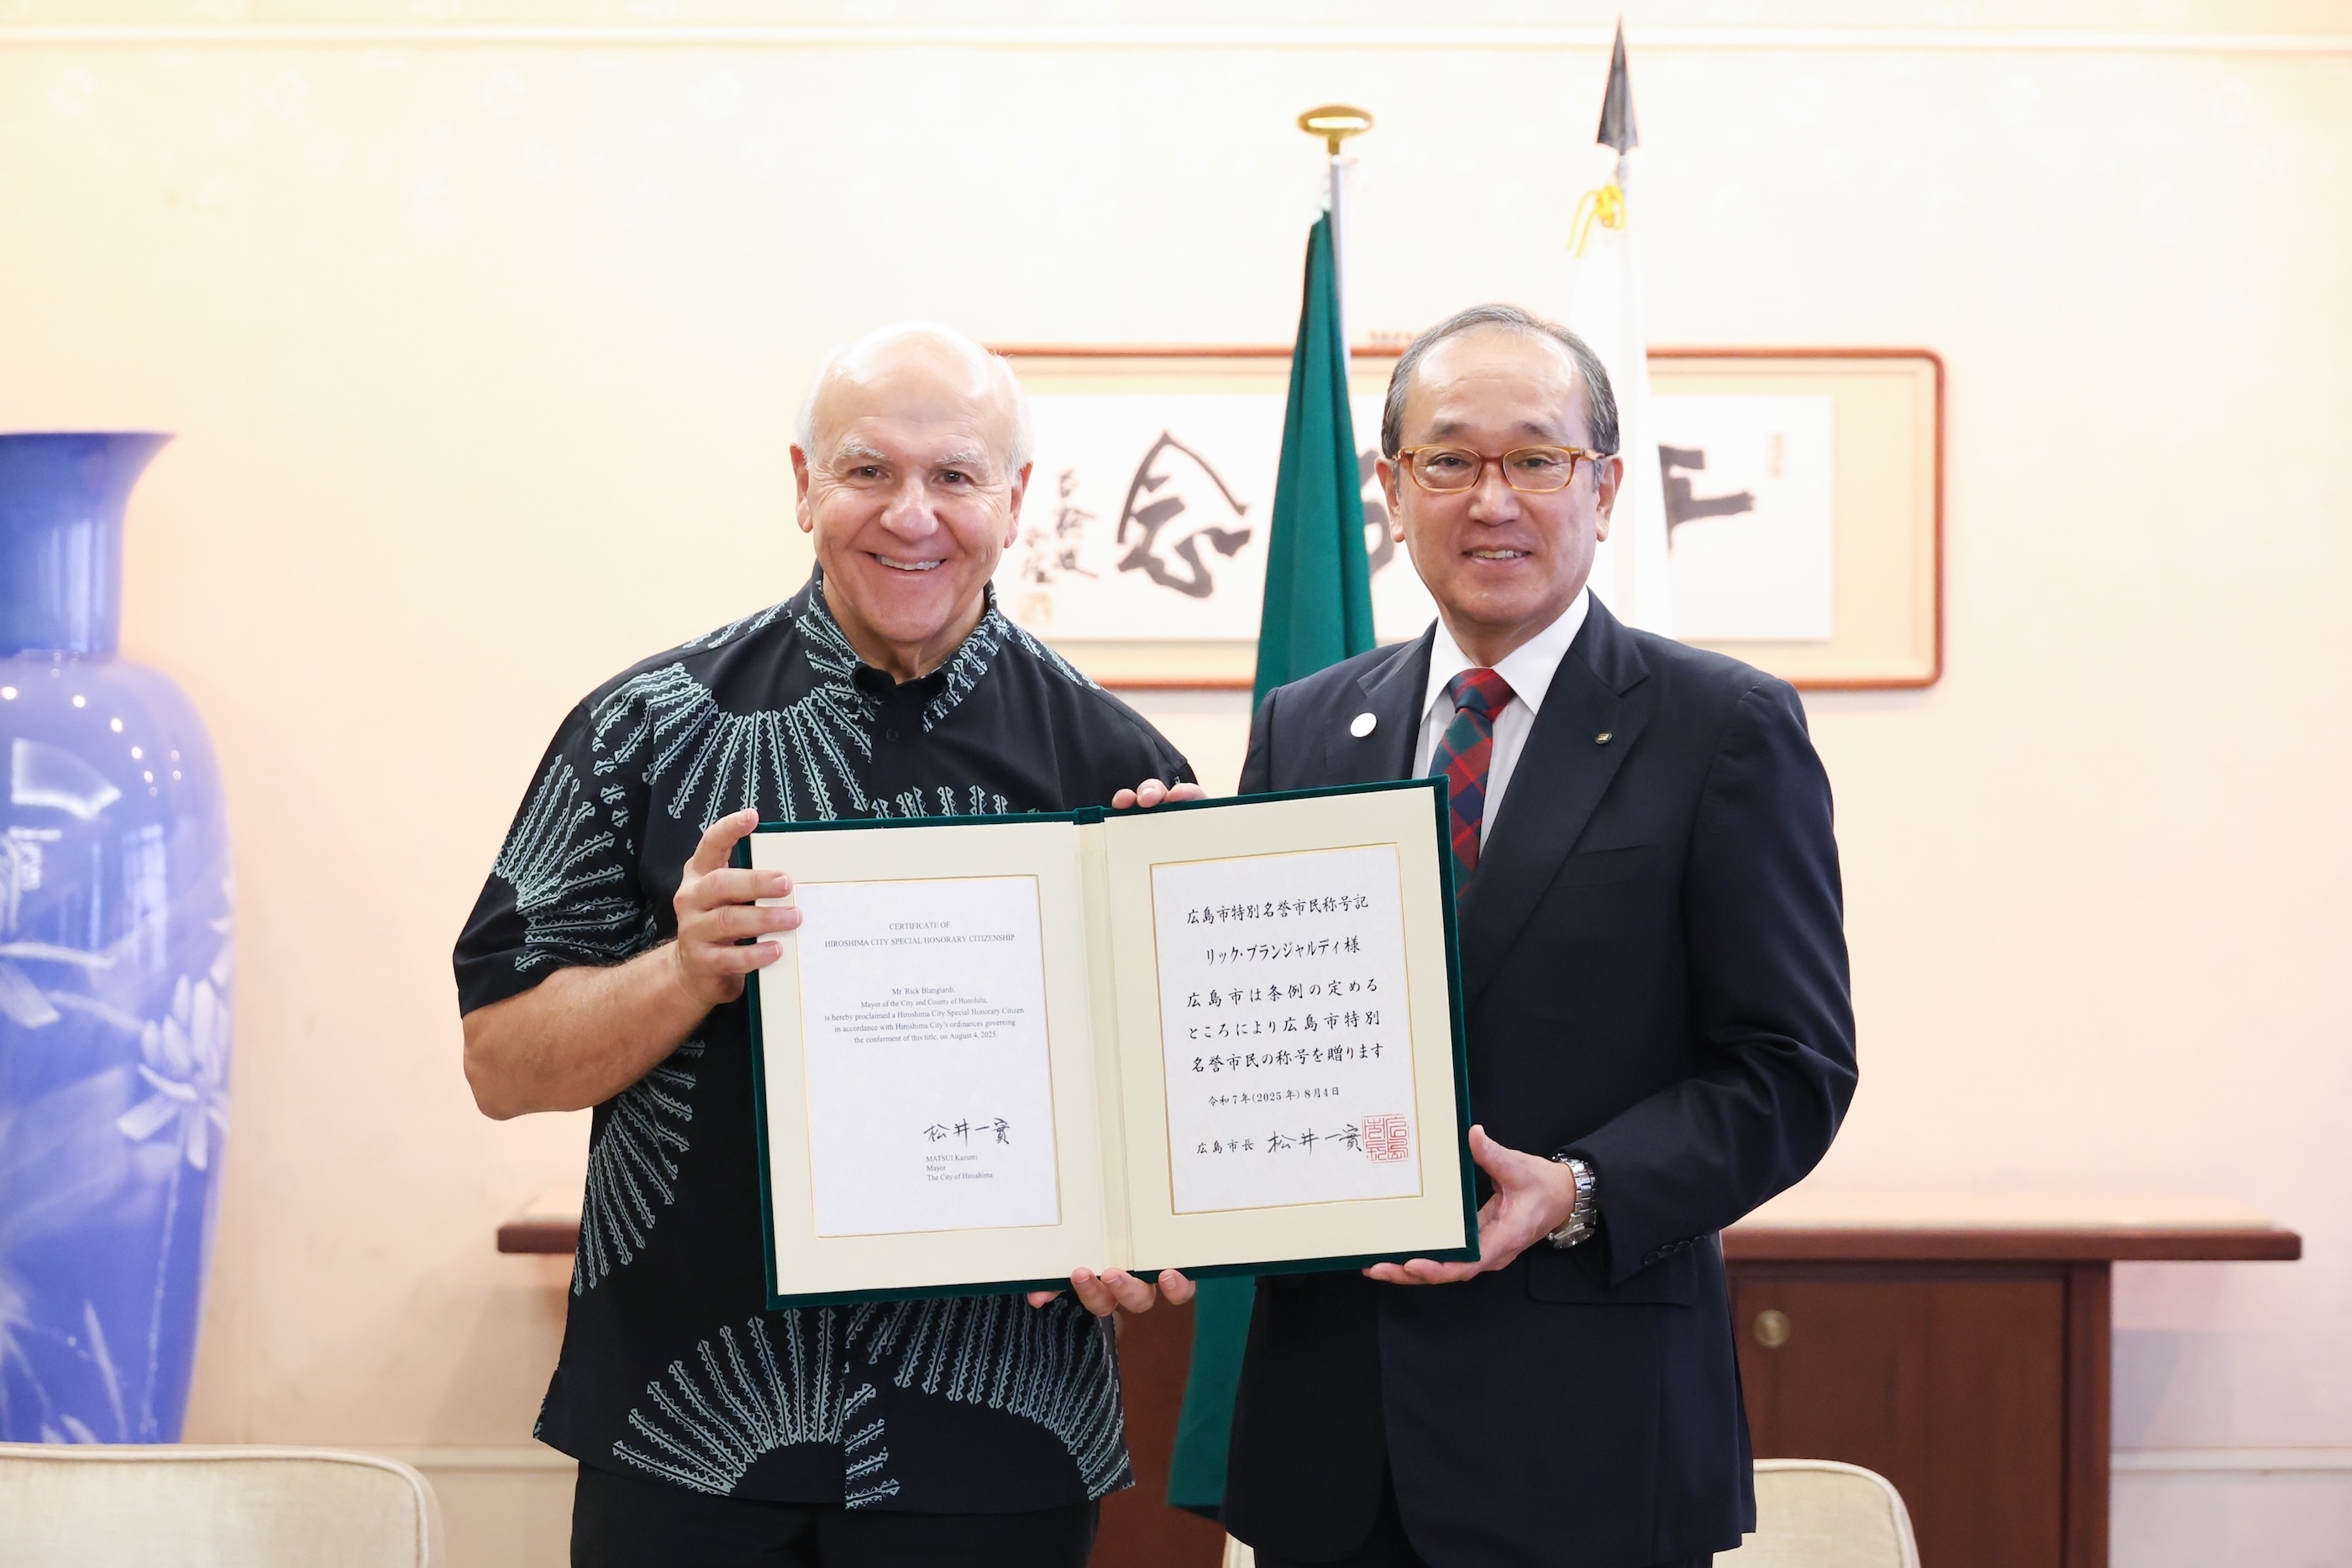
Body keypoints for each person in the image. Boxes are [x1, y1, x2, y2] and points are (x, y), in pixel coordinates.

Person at [454, 321, 1194, 1568]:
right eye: (868, 471)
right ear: (803, 485)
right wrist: (682, 971)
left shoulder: (1119, 776)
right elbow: (499, 1066)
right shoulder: (646, 731)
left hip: (1000, 1446)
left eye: (955, 476)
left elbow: (1170, 1133)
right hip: (690, 1432)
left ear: (1014, 503)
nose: (912, 514)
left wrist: (1150, 1238)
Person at [1220, 304, 1858, 1568]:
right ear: (1393, 492)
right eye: (1448, 460)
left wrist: (1575, 1190)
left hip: (1593, 1436)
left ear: (1606, 486)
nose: (1490, 499)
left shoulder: (1720, 726)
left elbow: (1790, 1071)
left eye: (1537, 459)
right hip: (1336, 1440)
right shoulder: (1305, 727)